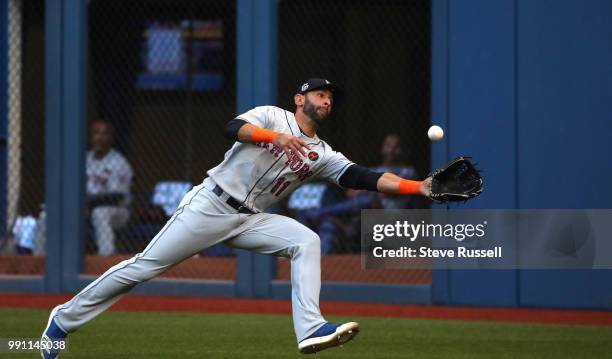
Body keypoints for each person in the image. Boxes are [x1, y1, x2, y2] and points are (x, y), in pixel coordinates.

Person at [40, 78, 432, 357]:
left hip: (252, 218)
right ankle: (63, 319)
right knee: (142, 268)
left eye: (330, 97)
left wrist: (420, 188)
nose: (327, 101)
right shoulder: (272, 117)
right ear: (300, 99)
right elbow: (233, 127)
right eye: (320, 94)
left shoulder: (322, 153)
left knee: (305, 241)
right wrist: (272, 137)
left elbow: (364, 176)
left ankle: (311, 329)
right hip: (209, 205)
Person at [86, 119, 134, 255]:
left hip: (117, 211)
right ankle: (38, 261)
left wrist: (88, 204)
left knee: (100, 212)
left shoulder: (119, 162)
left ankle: (106, 258)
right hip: (84, 208)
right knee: (46, 216)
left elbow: (116, 197)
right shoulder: (84, 159)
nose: (99, 138)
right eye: (96, 133)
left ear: (111, 138)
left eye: (104, 134)